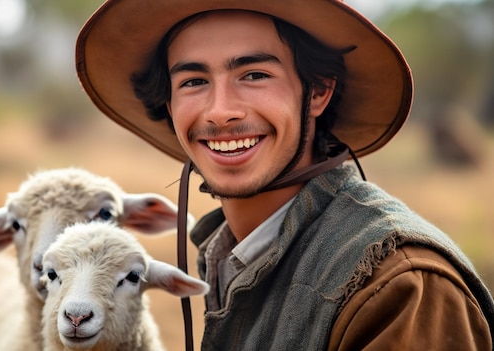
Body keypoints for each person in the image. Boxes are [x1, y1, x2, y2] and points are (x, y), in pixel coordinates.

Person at [75, 0, 494, 350]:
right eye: (194, 81)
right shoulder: (228, 255)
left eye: (254, 75)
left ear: (317, 92)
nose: (221, 110)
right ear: (168, 103)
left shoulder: (402, 287)